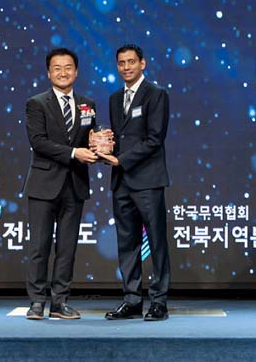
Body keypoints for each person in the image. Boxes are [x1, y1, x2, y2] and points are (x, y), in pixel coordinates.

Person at [22, 47, 100, 320]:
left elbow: (91, 137)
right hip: (43, 184)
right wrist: (74, 153)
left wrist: (101, 144)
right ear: (48, 73)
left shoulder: (87, 104)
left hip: (74, 184)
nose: (63, 72)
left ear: (76, 72)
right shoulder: (36, 103)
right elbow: (38, 142)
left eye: (68, 67)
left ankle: (59, 302)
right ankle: (36, 302)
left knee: (67, 248)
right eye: (57, 68)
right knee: (39, 246)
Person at [99, 43, 171, 321]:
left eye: (131, 62)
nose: (126, 67)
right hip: (121, 182)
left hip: (148, 180)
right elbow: (120, 137)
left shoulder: (156, 94)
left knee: (156, 241)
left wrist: (120, 160)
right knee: (127, 242)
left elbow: (155, 139)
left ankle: (159, 301)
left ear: (143, 63)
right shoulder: (115, 98)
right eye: (121, 63)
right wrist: (102, 147)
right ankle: (131, 300)